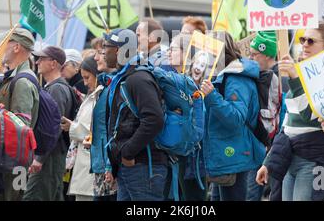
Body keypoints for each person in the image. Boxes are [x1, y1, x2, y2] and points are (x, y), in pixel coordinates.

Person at [256, 21, 324, 201]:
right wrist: (269, 162)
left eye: (311, 41)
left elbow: (311, 116)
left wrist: (295, 79)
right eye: (303, 39)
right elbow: (287, 126)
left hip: (314, 160)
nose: (304, 44)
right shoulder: (300, 73)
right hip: (289, 158)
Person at [199, 31, 265, 201]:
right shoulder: (221, 74)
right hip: (224, 153)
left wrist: (212, 96)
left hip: (234, 153)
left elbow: (236, 118)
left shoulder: (236, 78)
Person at [104, 28, 168, 201]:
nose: (102, 51)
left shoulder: (138, 78)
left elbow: (154, 120)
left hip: (143, 166)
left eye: (105, 46)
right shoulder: (125, 77)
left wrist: (128, 152)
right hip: (131, 165)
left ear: (118, 50)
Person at [22, 46, 74, 201]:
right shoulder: (54, 87)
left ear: (53, 63)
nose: (37, 62)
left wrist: (39, 158)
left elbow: (53, 127)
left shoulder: (57, 89)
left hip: (50, 156)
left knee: (34, 196)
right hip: (52, 155)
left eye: (42, 59)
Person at [0, 27, 39, 201]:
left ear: (16, 47)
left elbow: (22, 126)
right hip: (10, 160)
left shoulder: (22, 82)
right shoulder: (15, 77)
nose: (1, 47)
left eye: (5, 43)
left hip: (13, 162)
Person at [166, 34, 207, 201]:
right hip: (179, 150)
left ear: (186, 53)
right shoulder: (176, 78)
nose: (168, 52)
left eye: (173, 49)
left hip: (193, 154)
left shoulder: (198, 81)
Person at [83, 38, 117, 201]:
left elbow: (116, 128)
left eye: (100, 53)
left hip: (108, 166)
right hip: (100, 162)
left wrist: (110, 165)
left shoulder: (116, 86)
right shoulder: (105, 86)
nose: (95, 58)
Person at [60, 57, 99, 201]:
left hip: (90, 167)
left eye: (87, 77)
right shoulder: (93, 95)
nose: (85, 82)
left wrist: (73, 128)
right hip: (84, 166)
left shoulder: (100, 96)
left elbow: (97, 131)